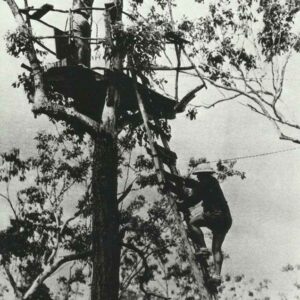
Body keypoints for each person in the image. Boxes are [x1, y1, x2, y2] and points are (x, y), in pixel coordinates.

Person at [177, 163, 232, 285]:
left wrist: (180, 205)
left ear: (202, 175)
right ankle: (217, 276)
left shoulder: (204, 183)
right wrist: (187, 182)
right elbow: (197, 185)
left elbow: (194, 199)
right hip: (226, 219)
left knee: (193, 222)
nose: (198, 178)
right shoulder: (212, 182)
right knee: (216, 249)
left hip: (215, 215)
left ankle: (202, 248)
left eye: (199, 176)